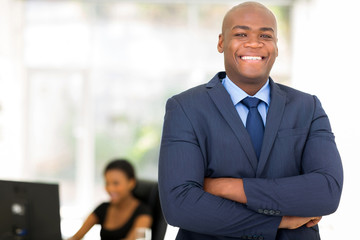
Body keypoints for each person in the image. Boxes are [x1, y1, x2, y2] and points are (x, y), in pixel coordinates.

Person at [158, 1, 343, 240]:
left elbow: (326, 192)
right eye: (241, 33)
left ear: (276, 47)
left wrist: (225, 187)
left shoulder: (308, 107)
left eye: (265, 35)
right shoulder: (185, 108)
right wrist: (278, 221)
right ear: (221, 42)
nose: (254, 43)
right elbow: (179, 205)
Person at [69, 159, 152, 240]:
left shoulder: (143, 212)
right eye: (107, 183)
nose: (110, 188)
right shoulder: (103, 208)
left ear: (131, 183)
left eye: (116, 183)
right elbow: (76, 237)